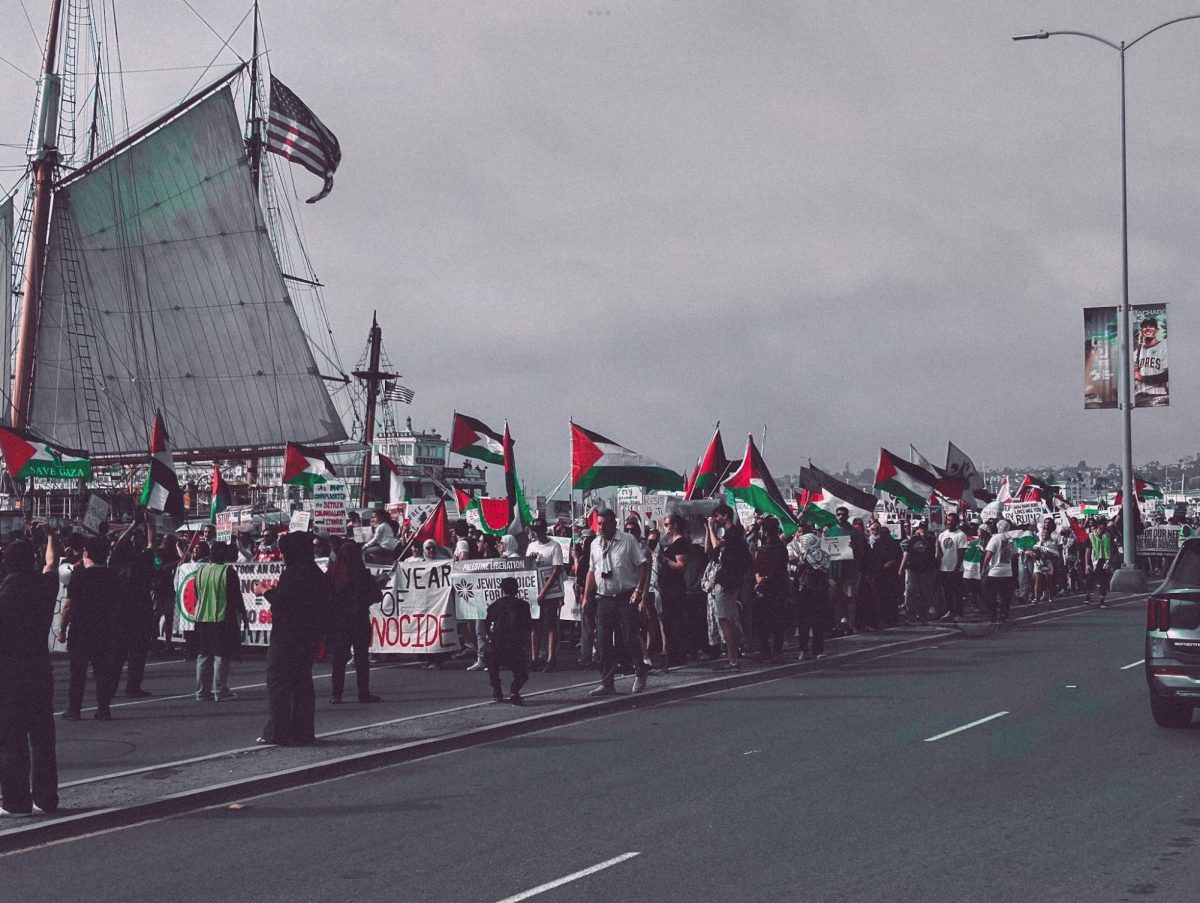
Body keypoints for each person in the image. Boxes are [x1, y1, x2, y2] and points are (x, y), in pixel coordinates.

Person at [0, 534, 61, 815]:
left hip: (10, 674)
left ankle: (16, 800)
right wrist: (50, 537)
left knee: (12, 740)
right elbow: (51, 563)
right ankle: (46, 797)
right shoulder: (45, 586)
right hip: (39, 669)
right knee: (43, 738)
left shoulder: (5, 595)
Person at [259, 532, 332, 746]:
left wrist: (265, 591)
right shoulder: (315, 572)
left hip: (286, 636)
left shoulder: (293, 573)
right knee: (302, 684)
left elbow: (283, 601)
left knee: (279, 683)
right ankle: (302, 731)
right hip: (308, 637)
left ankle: (278, 731)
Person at [584, 509, 651, 696]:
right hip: (604, 597)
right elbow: (592, 570)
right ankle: (607, 682)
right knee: (603, 640)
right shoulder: (595, 544)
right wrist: (586, 596)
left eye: (605, 523)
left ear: (614, 524)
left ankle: (640, 669)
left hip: (625, 595)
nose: (601, 527)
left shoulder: (627, 541)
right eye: (599, 523)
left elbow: (643, 565)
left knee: (629, 636)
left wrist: (639, 591)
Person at [57, 535, 121, 721]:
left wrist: (62, 629)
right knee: (102, 671)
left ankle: (74, 709)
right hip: (104, 629)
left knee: (78, 672)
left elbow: (68, 605)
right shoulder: (112, 575)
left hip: (81, 629)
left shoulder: (79, 575)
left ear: (87, 553)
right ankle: (103, 708)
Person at [327, 541, 382, 704]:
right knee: (361, 658)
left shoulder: (333, 573)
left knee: (338, 659)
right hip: (359, 620)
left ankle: (336, 694)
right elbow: (375, 596)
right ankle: (363, 693)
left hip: (340, 621)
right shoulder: (361, 573)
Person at [192, 542, 248, 702]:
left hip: (202, 617)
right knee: (221, 655)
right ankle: (220, 691)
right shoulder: (227, 571)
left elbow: (196, 592)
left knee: (204, 655)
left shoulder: (201, 570)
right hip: (222, 617)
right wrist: (243, 614)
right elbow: (236, 596)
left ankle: (202, 692)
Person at [704, 504, 750, 671]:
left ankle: (732, 660)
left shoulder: (733, 533)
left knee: (724, 620)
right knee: (727, 619)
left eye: (717, 517)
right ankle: (734, 656)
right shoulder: (734, 533)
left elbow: (717, 546)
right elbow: (709, 550)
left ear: (724, 516)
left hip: (727, 583)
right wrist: (708, 531)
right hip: (729, 580)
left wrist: (711, 528)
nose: (715, 520)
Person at [483, 576, 532, 705]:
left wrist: (492, 638)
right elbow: (527, 626)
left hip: (497, 645)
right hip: (515, 646)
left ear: (502, 590)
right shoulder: (523, 605)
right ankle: (514, 691)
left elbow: (487, 626)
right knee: (522, 674)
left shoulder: (494, 606)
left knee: (492, 667)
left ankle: (497, 690)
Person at [525, 518, 565, 671]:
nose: (536, 533)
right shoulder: (531, 546)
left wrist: (544, 591)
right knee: (535, 625)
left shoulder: (554, 546)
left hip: (550, 590)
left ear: (544, 530)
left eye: (539, 530)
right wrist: (531, 560)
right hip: (535, 590)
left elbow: (557, 570)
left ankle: (551, 658)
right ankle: (535, 658)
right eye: (534, 530)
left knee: (550, 625)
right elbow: (527, 566)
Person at [654, 514, 691, 670]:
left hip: (675, 587)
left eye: (668, 524)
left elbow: (681, 565)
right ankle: (673, 653)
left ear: (675, 525)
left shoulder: (680, 542)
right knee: (669, 621)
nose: (666, 527)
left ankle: (678, 655)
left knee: (675, 621)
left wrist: (664, 560)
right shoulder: (670, 542)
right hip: (667, 586)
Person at [751, 516, 790, 661]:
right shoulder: (779, 548)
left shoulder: (770, 549)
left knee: (767, 620)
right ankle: (775, 650)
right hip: (774, 587)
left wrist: (760, 580)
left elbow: (770, 569)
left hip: (769, 587)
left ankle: (767, 650)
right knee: (775, 620)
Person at [791, 522, 831, 660]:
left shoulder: (822, 555)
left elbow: (826, 569)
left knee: (817, 621)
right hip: (805, 592)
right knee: (804, 622)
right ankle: (803, 648)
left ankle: (817, 649)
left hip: (817, 591)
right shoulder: (802, 556)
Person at [899, 521, 938, 625]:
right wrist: (901, 568)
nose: (922, 530)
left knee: (925, 594)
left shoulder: (932, 540)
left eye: (924, 528)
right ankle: (910, 617)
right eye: (921, 528)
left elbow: (936, 555)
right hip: (913, 569)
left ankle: (923, 617)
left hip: (926, 570)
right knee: (911, 594)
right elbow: (906, 554)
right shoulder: (913, 539)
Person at [935, 512, 969, 622]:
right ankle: (950, 611)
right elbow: (939, 552)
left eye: (952, 520)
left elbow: (961, 553)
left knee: (957, 592)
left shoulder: (961, 535)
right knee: (947, 592)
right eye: (948, 520)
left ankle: (959, 613)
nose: (950, 522)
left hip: (956, 569)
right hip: (944, 568)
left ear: (957, 522)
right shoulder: (942, 534)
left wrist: (956, 568)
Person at [982, 519, 1016, 623]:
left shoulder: (995, 538)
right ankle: (1004, 614)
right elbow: (1014, 554)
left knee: (991, 595)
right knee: (1004, 596)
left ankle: (992, 615)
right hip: (1007, 571)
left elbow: (988, 555)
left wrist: (984, 568)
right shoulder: (1011, 539)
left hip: (995, 571)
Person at [1134, 315, 1168, 407]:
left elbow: (1168, 375)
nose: (1147, 328)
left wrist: (1142, 378)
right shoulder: (1138, 351)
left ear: (1157, 330)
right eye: (1145, 326)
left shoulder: (1164, 347)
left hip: (1158, 396)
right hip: (1139, 396)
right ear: (1142, 330)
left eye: (1151, 326)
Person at [1085, 520, 1113, 608]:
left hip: (1104, 561)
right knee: (1090, 579)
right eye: (1103, 525)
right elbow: (1088, 551)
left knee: (1103, 581)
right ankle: (1087, 597)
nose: (1105, 527)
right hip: (1094, 561)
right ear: (1099, 526)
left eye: (1105, 525)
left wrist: (1109, 562)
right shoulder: (1091, 536)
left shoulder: (1108, 536)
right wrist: (1086, 564)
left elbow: (1111, 550)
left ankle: (1102, 601)